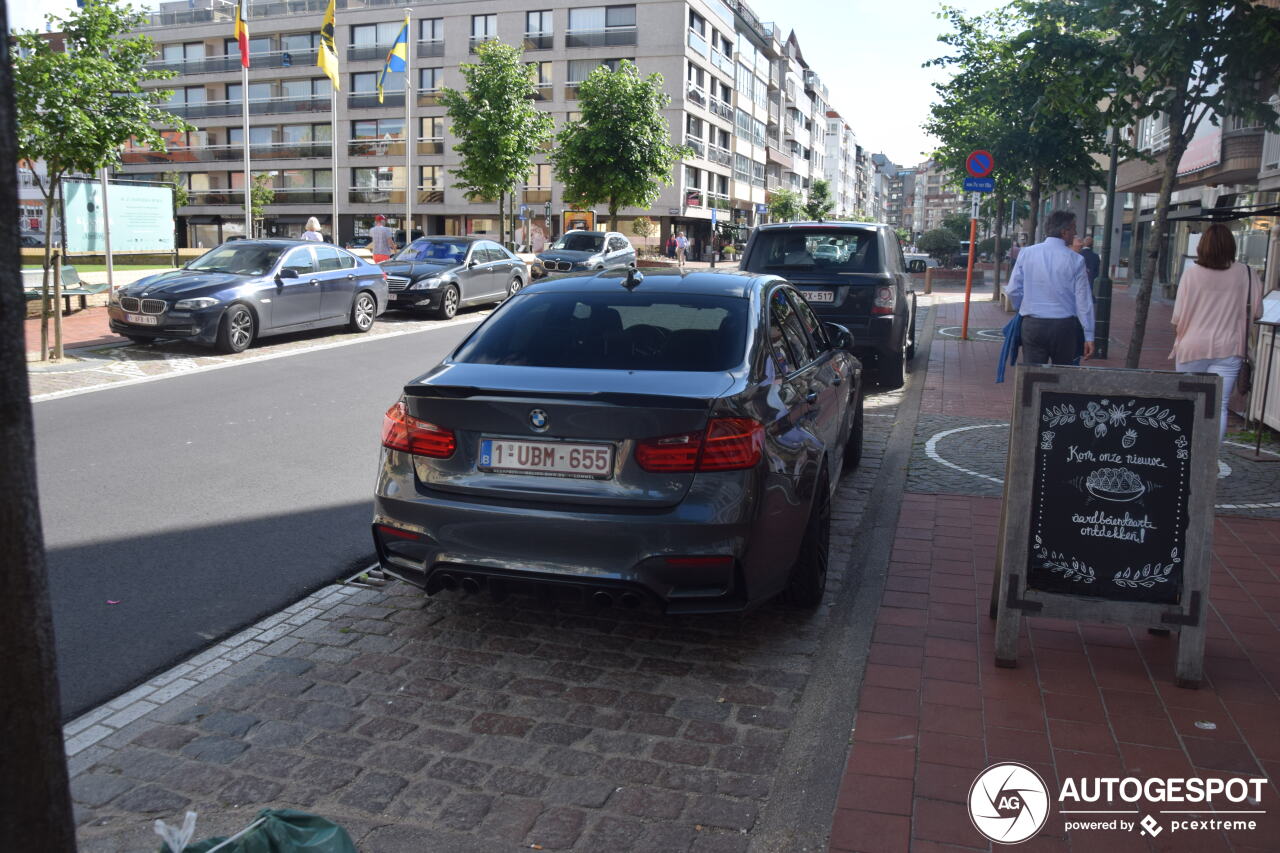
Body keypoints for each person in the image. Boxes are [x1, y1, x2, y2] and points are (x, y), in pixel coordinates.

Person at [1171, 223, 1263, 444]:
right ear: (1232, 246)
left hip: (1192, 347)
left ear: (1202, 247)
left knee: (1188, 403)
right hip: (1229, 347)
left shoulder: (1191, 275)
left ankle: (1187, 457)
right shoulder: (1248, 274)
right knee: (1218, 407)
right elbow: (1257, 312)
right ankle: (1211, 461)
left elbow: (1177, 318)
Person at [1005, 209, 1095, 366]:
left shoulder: (1026, 253)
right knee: (1062, 376)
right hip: (1064, 326)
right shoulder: (1076, 260)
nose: (1075, 233)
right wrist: (1089, 335)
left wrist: (1023, 307)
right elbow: (1083, 301)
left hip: (1033, 324)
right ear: (1064, 231)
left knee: (1031, 377)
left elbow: (1013, 289)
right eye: (1073, 228)